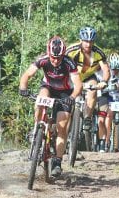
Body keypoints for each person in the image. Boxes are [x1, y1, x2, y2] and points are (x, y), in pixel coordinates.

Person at [19, 36, 83, 176]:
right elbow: (27, 75)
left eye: (58, 58)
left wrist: (72, 97)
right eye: (53, 57)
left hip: (65, 93)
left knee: (62, 128)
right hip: (48, 87)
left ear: (63, 54)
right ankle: (37, 128)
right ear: (49, 53)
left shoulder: (69, 63)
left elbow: (78, 84)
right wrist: (23, 87)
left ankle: (57, 162)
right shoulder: (43, 59)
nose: (55, 61)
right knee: (40, 100)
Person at [65, 26, 110, 135]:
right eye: (85, 41)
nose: (88, 44)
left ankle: (87, 118)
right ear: (80, 40)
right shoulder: (71, 50)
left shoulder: (98, 52)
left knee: (93, 88)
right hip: (72, 77)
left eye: (91, 42)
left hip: (88, 77)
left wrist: (104, 82)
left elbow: (106, 70)